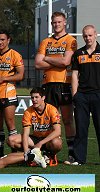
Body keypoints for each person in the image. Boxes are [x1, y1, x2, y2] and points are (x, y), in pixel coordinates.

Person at [35, 12, 77, 164]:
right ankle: (50, 152)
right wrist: (56, 61)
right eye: (54, 22)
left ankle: (72, 153)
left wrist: (47, 58)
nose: (56, 24)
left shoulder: (70, 40)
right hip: (48, 85)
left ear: (65, 22)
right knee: (50, 121)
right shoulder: (46, 41)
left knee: (67, 120)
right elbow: (37, 64)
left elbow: (66, 62)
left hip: (64, 84)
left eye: (59, 22)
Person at [0, 30, 25, 157]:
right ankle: (0, 153)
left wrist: (4, 78)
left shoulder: (15, 55)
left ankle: (14, 153)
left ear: (8, 40)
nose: (0, 42)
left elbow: (20, 75)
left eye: (3, 39)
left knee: (10, 124)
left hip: (8, 93)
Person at [7, 87, 62, 166]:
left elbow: (58, 131)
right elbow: (26, 133)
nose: (34, 100)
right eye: (32, 97)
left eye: (36, 97)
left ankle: (50, 154)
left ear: (43, 98)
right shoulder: (28, 112)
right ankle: (33, 156)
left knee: (57, 143)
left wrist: (41, 143)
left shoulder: (52, 109)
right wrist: (26, 152)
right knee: (11, 140)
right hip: (35, 139)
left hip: (48, 140)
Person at [70, 25, 100, 165]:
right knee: (81, 128)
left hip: (98, 95)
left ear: (96, 35)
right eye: (85, 36)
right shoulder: (78, 53)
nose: (88, 38)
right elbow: (75, 75)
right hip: (82, 95)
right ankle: (79, 159)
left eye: (90, 35)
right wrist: (75, 95)